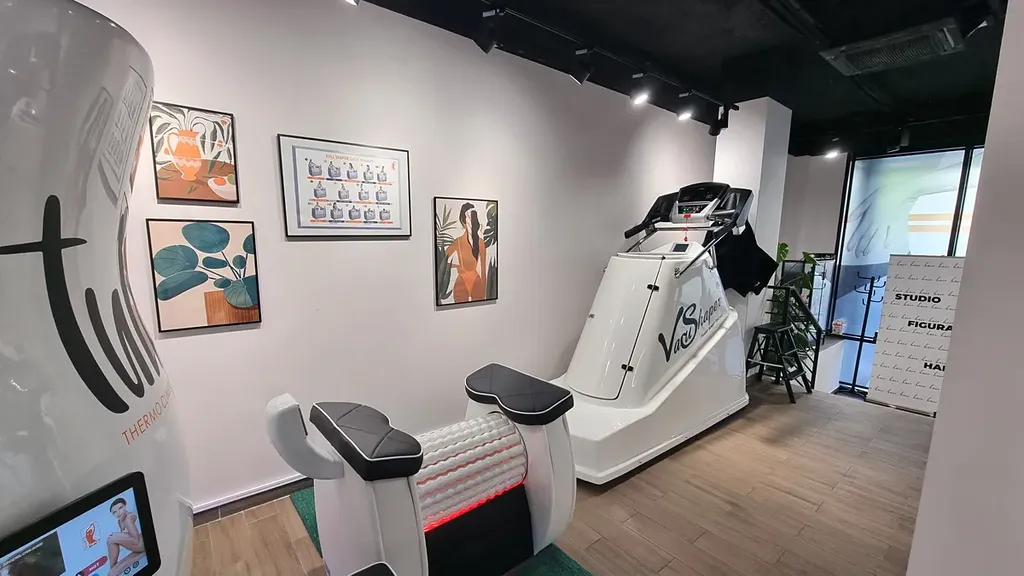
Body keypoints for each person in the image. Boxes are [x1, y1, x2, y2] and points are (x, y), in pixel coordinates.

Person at [445, 203, 487, 302]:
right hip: (463, 282)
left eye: (472, 217)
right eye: (469, 217)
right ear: (463, 221)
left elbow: (484, 271)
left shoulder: (480, 243)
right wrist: (456, 266)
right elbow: (441, 261)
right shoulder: (458, 242)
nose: (470, 221)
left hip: (475, 281)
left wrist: (486, 294)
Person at [106, 498, 145, 575]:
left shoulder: (129, 518)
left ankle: (113, 569)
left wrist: (116, 538)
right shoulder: (120, 521)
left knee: (111, 538)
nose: (118, 513)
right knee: (111, 539)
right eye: (114, 512)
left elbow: (135, 540)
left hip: (141, 544)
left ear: (125, 505)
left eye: (120, 508)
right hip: (135, 547)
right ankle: (113, 569)